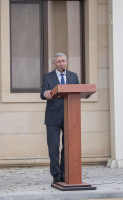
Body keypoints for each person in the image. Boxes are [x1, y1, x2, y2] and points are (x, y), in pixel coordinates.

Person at [40, 52, 79, 184]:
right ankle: (56, 174)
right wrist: (46, 93)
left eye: (63, 61)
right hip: (53, 117)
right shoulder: (48, 77)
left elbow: (78, 92)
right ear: (54, 63)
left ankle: (64, 173)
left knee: (68, 147)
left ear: (66, 62)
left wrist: (85, 94)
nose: (62, 63)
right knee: (53, 148)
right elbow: (43, 92)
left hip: (70, 116)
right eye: (59, 62)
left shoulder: (73, 76)